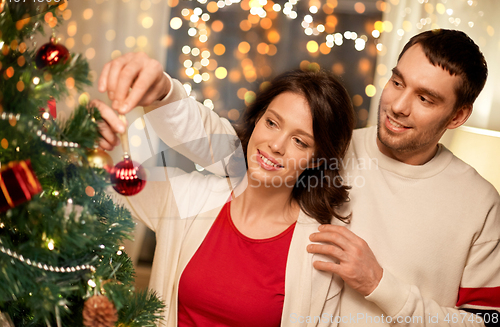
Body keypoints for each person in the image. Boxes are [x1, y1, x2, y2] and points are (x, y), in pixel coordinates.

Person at [97, 28, 500, 326]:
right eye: (397, 82)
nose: (398, 105)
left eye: (425, 98)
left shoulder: (479, 205)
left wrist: (381, 285)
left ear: (458, 116)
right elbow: (229, 146)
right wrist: (164, 92)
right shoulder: (336, 147)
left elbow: (487, 322)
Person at [94, 67, 356, 326]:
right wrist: (90, 140)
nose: (276, 145)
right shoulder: (190, 198)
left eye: (300, 141)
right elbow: (99, 189)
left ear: (316, 161)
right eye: (272, 123)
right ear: (257, 121)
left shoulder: (318, 254)